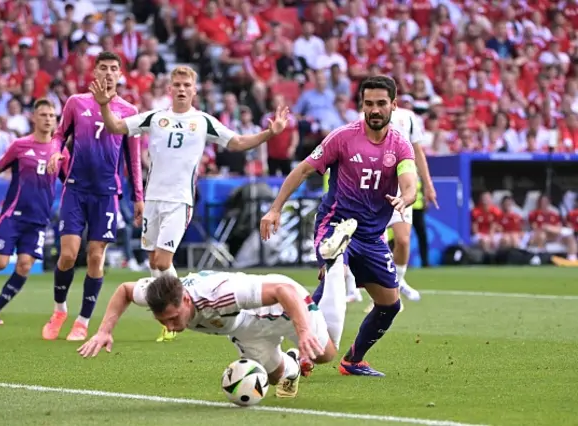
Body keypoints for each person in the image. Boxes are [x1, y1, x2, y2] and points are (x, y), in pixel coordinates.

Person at [88, 65, 290, 342]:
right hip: (153, 199)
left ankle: (179, 306)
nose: (182, 89)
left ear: (194, 90)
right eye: (177, 84)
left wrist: (269, 134)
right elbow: (116, 126)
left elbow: (238, 142)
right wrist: (103, 106)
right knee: (152, 260)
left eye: (187, 85)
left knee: (162, 260)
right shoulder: (156, 117)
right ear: (169, 89)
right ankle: (166, 312)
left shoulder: (203, 121)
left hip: (179, 200)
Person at [260, 75, 418, 377]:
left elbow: (409, 181)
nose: (374, 109)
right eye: (368, 103)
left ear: (393, 106)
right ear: (362, 104)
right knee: (335, 282)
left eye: (381, 104)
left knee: (390, 306)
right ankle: (297, 356)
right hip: (335, 225)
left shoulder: (400, 144)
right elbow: (304, 169)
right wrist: (274, 209)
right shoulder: (342, 137)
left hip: (371, 237)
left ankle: (352, 360)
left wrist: (406, 198)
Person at [77, 270, 344, 398]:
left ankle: (334, 268)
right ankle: (293, 363)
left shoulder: (220, 293)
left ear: (185, 301)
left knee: (325, 355)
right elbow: (125, 289)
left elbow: (281, 291)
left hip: (284, 307)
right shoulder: (157, 293)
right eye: (163, 322)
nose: (170, 327)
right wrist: (104, 331)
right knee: (275, 378)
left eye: (172, 319)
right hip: (245, 330)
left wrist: (303, 328)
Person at [42, 51, 144, 342]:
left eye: (114, 68)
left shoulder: (129, 111)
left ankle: (83, 321)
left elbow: (133, 158)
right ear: (94, 72)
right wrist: (55, 153)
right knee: (68, 255)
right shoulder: (76, 102)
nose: (109, 73)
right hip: (75, 188)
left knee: (96, 257)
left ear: (120, 75)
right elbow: (60, 135)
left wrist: (138, 196)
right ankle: (59, 310)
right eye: (104, 68)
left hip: (107, 194)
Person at [0, 98, 65, 325]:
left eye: (51, 116)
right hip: (14, 215)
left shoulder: (59, 150)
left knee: (24, 265)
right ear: (33, 118)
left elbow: (69, 179)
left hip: (39, 220)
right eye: (43, 115)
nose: (48, 119)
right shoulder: (20, 145)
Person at [361, 105, 438, 312]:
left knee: (403, 241)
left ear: (393, 101)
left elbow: (418, 152)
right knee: (376, 244)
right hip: (374, 189)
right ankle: (380, 294)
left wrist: (428, 185)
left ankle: (398, 281)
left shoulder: (408, 118)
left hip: (401, 186)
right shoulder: (366, 117)